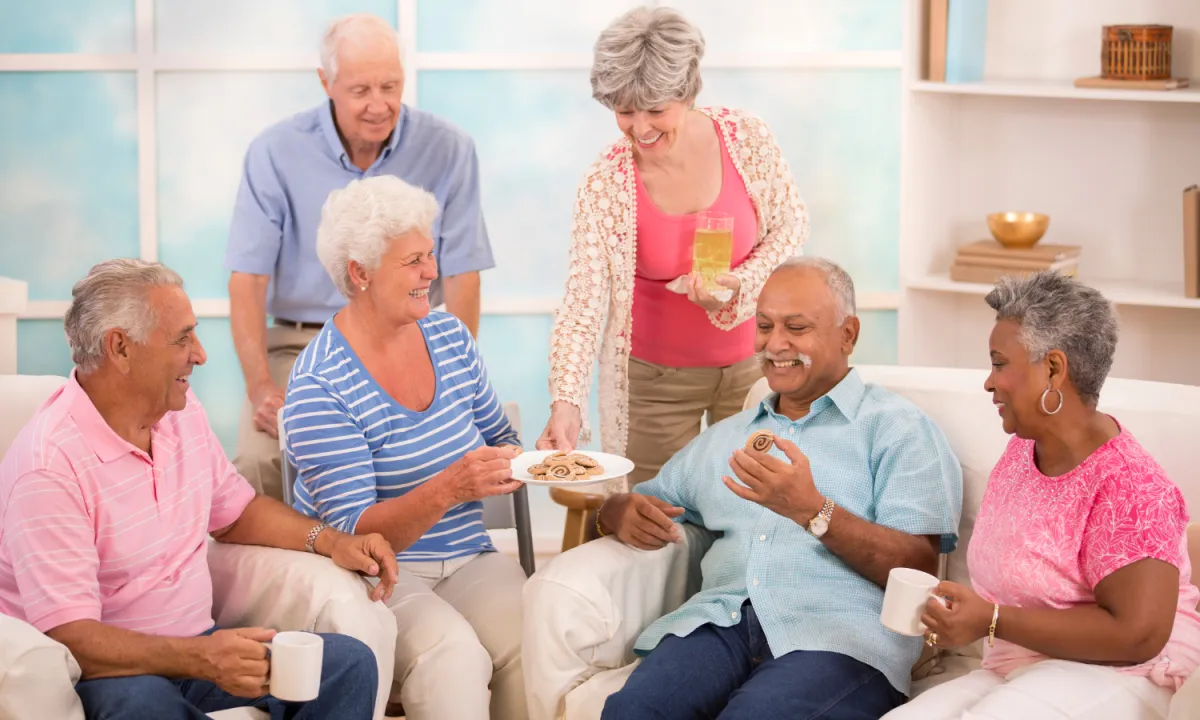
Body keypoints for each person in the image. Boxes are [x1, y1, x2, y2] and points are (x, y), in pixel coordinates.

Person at [0, 259, 399, 720]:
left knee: (347, 664)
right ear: (120, 348)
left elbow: (236, 513)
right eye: (182, 338)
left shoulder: (180, 413)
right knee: (143, 707)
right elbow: (72, 638)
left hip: (198, 654)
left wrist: (331, 541)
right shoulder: (49, 468)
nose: (201, 353)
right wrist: (200, 659)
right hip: (113, 674)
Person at [595, 257, 963, 719]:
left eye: (797, 327)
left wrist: (815, 511)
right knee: (630, 712)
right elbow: (644, 503)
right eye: (765, 325)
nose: (775, 344)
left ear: (848, 334)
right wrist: (615, 510)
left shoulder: (897, 429)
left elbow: (919, 565)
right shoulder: (727, 436)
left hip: (838, 637)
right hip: (720, 624)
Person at [883, 272, 1200, 720]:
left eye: (999, 363)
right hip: (1018, 663)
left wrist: (990, 619)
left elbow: (1138, 635)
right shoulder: (1024, 449)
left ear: (1053, 368)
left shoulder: (1132, 486)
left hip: (1122, 674)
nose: (989, 383)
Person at [283, 175, 527, 720]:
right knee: (454, 656)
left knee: (538, 631)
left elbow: (501, 438)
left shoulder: (450, 337)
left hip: (469, 557)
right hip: (375, 574)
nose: (432, 273)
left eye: (431, 254)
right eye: (413, 261)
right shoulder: (320, 383)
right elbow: (356, 536)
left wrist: (528, 457)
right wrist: (449, 488)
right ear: (360, 273)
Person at [225, 12, 495, 502]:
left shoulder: (450, 149)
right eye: (361, 91)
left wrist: (453, 368)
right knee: (257, 463)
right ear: (325, 82)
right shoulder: (274, 151)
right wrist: (261, 386)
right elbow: (247, 281)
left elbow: (463, 275)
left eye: (390, 87)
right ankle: (294, 574)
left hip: (408, 332)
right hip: (299, 346)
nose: (379, 105)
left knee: (427, 458)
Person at [537, 6, 809, 488]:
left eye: (656, 109)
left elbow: (791, 225)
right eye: (624, 110)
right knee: (655, 519)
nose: (640, 128)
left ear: (688, 92)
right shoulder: (606, 183)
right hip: (655, 385)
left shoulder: (746, 139)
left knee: (752, 511)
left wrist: (739, 285)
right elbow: (582, 303)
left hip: (756, 368)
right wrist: (566, 402)